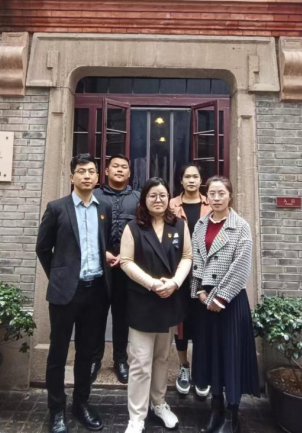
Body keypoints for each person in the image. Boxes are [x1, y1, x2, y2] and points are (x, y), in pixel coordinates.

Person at [35, 153, 113, 433]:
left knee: (87, 353)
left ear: (97, 176)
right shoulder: (57, 208)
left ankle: (81, 403)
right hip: (66, 293)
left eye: (91, 171)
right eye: (81, 171)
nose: (87, 176)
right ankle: (56, 410)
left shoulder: (104, 208)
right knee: (58, 353)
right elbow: (43, 248)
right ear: (72, 177)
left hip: (96, 292)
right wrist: (60, 277)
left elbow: (105, 242)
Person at [120, 177, 192, 433]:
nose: (158, 199)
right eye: (153, 195)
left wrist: (175, 282)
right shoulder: (133, 227)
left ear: (169, 198)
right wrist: (151, 283)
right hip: (142, 301)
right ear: (144, 199)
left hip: (169, 299)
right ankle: (136, 416)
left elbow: (187, 257)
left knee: (162, 358)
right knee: (140, 361)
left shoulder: (179, 225)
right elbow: (126, 261)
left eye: (162, 195)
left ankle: (159, 403)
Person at [190, 176, 259, 433]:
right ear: (206, 196)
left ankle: (232, 413)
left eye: (221, 193)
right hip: (205, 301)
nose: (217, 198)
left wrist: (220, 298)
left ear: (230, 195)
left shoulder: (240, 226)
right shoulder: (200, 225)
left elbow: (242, 266)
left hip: (230, 302)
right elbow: (196, 260)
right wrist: (199, 291)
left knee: (231, 354)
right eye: (212, 193)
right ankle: (215, 408)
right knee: (211, 354)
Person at [92, 154, 140, 385]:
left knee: (122, 316)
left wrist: (126, 257)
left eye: (124, 167)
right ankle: (94, 359)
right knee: (96, 314)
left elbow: (144, 232)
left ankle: (121, 359)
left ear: (129, 173)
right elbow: (86, 229)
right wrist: (103, 253)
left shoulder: (138, 198)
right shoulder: (95, 195)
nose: (120, 170)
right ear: (106, 171)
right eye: (115, 166)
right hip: (98, 265)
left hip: (126, 267)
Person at [168, 164, 212, 397]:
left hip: (207, 272)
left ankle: (202, 371)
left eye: (195, 176)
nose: (192, 180)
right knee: (182, 323)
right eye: (187, 176)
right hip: (180, 272)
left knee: (203, 321)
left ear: (201, 179)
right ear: (181, 180)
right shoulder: (171, 205)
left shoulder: (211, 204)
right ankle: (184, 367)